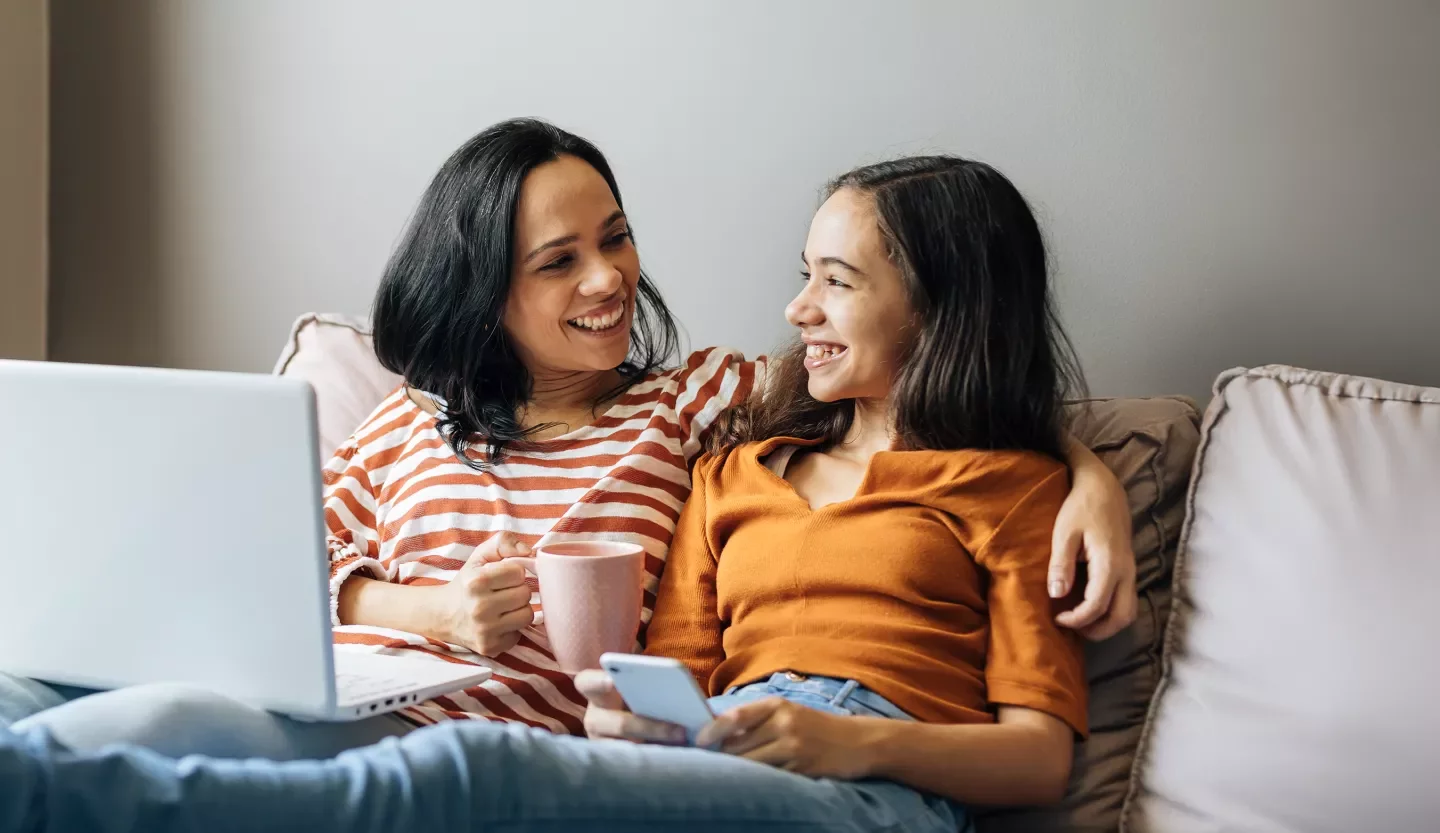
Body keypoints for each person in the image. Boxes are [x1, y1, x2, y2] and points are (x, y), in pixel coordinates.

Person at [2, 153, 1092, 833]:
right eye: (558, 260)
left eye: (614, 239)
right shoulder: (429, 424)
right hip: (370, 698)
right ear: (487, 292)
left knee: (465, 768)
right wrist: (434, 612)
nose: (608, 277)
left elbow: (933, 409)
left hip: (820, 770)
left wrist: (1083, 476)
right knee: (119, 703)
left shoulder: (700, 407)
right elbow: (263, 567)